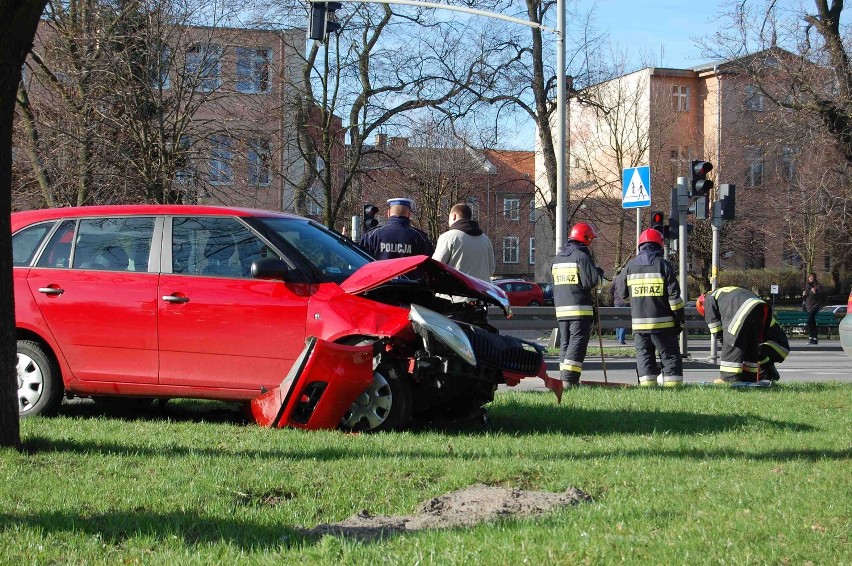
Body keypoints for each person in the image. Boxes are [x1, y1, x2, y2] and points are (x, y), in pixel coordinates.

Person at [615, 228, 684, 387]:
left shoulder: (630, 266)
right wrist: (679, 319)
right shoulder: (664, 265)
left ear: (641, 245)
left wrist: (633, 299)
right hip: (663, 324)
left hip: (639, 325)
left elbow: (622, 292)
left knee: (644, 356)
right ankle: (673, 388)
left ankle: (647, 388)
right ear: (659, 245)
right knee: (670, 355)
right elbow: (674, 298)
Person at [697, 286, 790, 383]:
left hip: (778, 346)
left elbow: (716, 328)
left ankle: (728, 379)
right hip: (758, 307)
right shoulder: (725, 293)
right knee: (751, 345)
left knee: (732, 338)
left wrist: (726, 342)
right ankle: (750, 377)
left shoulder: (707, 300)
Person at [550, 222, 603, 386]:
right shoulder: (581, 256)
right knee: (577, 342)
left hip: (561, 309)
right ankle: (570, 380)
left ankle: (564, 378)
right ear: (585, 238)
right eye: (590, 239)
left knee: (565, 343)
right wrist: (599, 272)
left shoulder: (558, 258)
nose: (590, 242)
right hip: (579, 309)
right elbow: (592, 281)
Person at [432, 203, 495, 281]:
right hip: (480, 291)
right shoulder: (486, 240)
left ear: (454, 216)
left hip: (455, 291)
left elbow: (435, 267)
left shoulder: (449, 237)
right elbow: (491, 270)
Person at [359, 198, 434, 260]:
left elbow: (360, 261)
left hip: (381, 278)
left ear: (388, 213)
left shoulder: (372, 235)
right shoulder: (420, 237)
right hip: (410, 278)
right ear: (409, 214)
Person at [802, 272, 824, 344]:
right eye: (809, 277)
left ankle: (811, 337)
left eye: (812, 277)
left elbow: (818, 293)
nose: (810, 278)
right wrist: (804, 294)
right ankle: (815, 338)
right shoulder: (807, 286)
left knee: (809, 321)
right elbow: (805, 297)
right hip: (808, 306)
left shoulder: (818, 286)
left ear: (814, 278)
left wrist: (814, 290)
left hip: (815, 306)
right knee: (812, 322)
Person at [610, 271, 628, 345]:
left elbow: (611, 290)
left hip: (617, 302)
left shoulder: (615, 279)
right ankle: (621, 338)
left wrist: (614, 297)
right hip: (625, 302)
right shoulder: (627, 279)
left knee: (618, 319)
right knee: (625, 320)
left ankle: (618, 336)